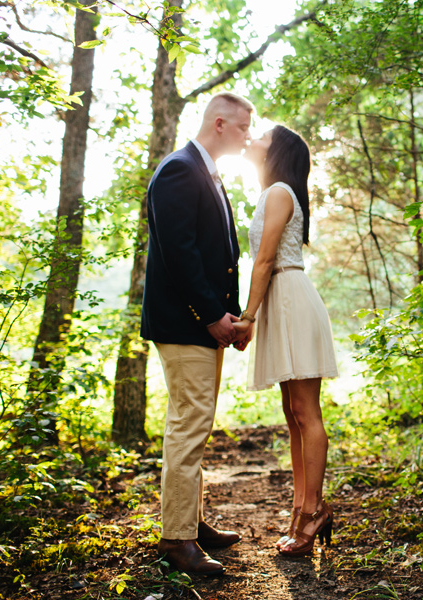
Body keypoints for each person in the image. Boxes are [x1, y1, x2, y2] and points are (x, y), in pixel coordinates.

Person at [140, 92, 254, 576]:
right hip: (184, 323)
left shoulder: (206, 171)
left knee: (195, 423)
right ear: (221, 123)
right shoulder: (180, 169)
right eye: (246, 128)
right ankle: (176, 542)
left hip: (203, 324)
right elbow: (179, 251)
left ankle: (188, 520)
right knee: (188, 426)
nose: (250, 138)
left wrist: (229, 315)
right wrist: (211, 314)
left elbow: (216, 255)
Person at [234, 124, 339, 557]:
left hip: (290, 299)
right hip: (282, 301)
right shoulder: (273, 192)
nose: (252, 137)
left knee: (304, 410)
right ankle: (300, 508)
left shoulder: (279, 191)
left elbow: (264, 261)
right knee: (291, 412)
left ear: (276, 151)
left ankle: (313, 511)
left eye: (261, 134)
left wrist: (247, 316)